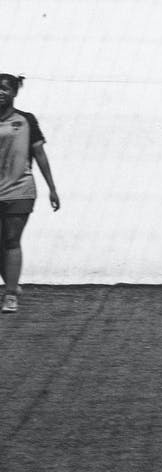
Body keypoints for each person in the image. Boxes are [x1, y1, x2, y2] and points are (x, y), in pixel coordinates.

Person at [0, 73, 61, 313]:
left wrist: (52, 189)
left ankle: (10, 294)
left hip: (19, 190)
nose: (0, 92)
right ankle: (13, 283)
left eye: (5, 88)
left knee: (11, 240)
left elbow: (40, 155)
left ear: (15, 92)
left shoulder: (26, 120)